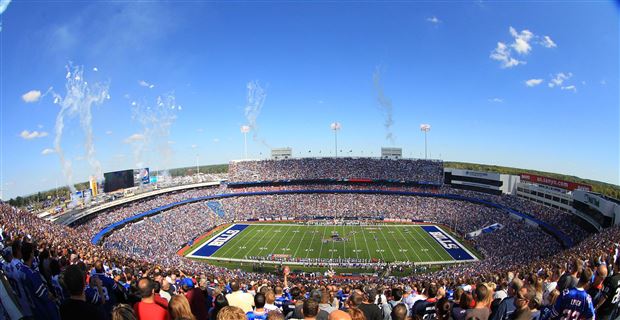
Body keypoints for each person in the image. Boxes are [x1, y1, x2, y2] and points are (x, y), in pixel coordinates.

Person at [596, 256, 620, 320]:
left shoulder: (613, 280)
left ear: (616, 265)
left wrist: (596, 307)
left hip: (604, 311)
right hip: (612, 309)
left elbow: (605, 296)